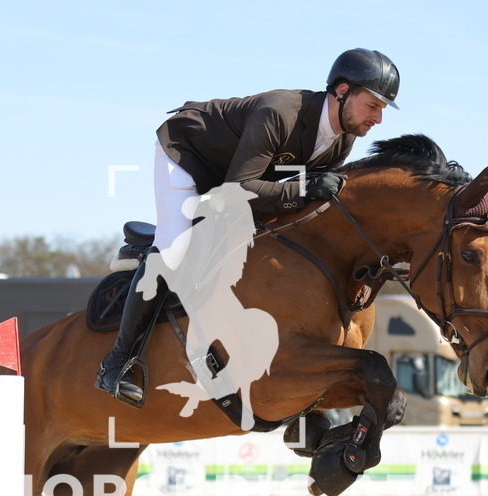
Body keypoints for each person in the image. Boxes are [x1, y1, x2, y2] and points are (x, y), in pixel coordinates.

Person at [94, 48, 401, 404]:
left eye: (382, 109)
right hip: (189, 157)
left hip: (241, 177)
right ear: (343, 91)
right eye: (373, 105)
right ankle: (117, 363)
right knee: (173, 249)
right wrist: (303, 189)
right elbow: (238, 190)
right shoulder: (280, 113)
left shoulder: (344, 136)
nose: (378, 118)